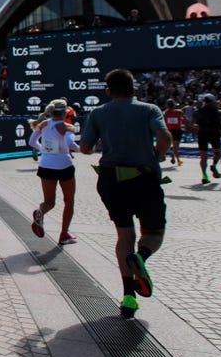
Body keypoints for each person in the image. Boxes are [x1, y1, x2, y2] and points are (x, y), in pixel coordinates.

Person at [78, 68, 172, 320]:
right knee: (154, 232)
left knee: (124, 235)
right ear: (134, 88)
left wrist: (103, 141)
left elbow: (85, 148)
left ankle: (129, 297)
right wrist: (159, 154)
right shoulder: (149, 110)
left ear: (108, 90)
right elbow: (164, 136)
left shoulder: (98, 113)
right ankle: (140, 257)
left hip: (111, 180)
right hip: (144, 178)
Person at [29, 99, 79, 245]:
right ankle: (64, 234)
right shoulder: (66, 126)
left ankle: (40, 212)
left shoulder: (43, 124)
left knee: (49, 202)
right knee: (69, 201)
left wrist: (44, 149)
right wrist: (84, 150)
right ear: (65, 112)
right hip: (64, 165)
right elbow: (71, 144)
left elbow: (32, 142)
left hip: (45, 165)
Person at [191, 94, 221, 184]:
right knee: (217, 153)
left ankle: (204, 175)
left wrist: (198, 127)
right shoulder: (217, 111)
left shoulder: (198, 112)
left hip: (202, 133)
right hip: (214, 132)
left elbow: (191, 124)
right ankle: (214, 165)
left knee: (203, 157)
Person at [161, 99, 185, 166]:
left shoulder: (164, 113)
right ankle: (177, 160)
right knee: (176, 147)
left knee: (167, 145)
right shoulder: (179, 112)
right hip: (177, 131)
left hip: (168, 130)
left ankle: (163, 156)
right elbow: (184, 119)